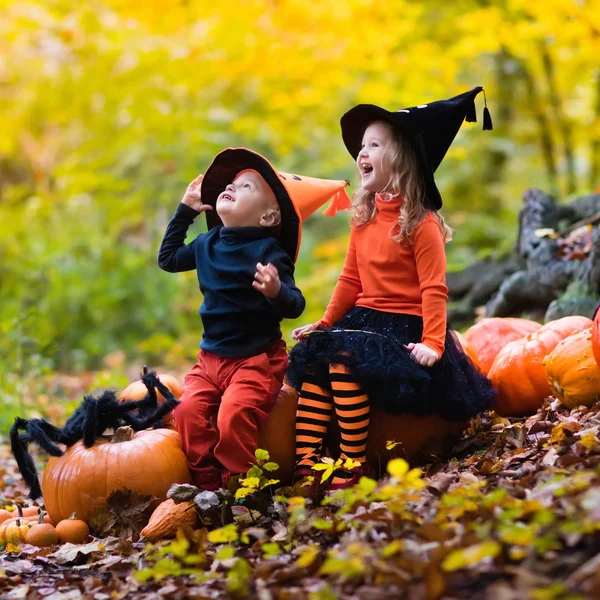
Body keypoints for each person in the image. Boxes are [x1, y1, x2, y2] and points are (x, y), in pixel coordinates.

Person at [288, 87, 496, 489]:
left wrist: (434, 343)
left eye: (375, 145)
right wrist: (327, 322)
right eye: (361, 146)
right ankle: (307, 461)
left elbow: (434, 289)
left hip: (404, 324)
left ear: (401, 159)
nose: (362, 153)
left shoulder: (422, 224)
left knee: (343, 364)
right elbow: (350, 279)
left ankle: (353, 462)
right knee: (315, 361)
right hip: (363, 317)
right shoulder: (363, 216)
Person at [158, 147, 351, 490]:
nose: (231, 186)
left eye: (246, 186)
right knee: (185, 413)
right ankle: (206, 486)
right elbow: (168, 259)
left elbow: (295, 305)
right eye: (232, 183)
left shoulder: (268, 252)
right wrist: (185, 211)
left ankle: (242, 487)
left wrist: (276, 290)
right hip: (211, 359)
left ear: (267, 217)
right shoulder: (207, 244)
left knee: (233, 417)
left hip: (256, 359)